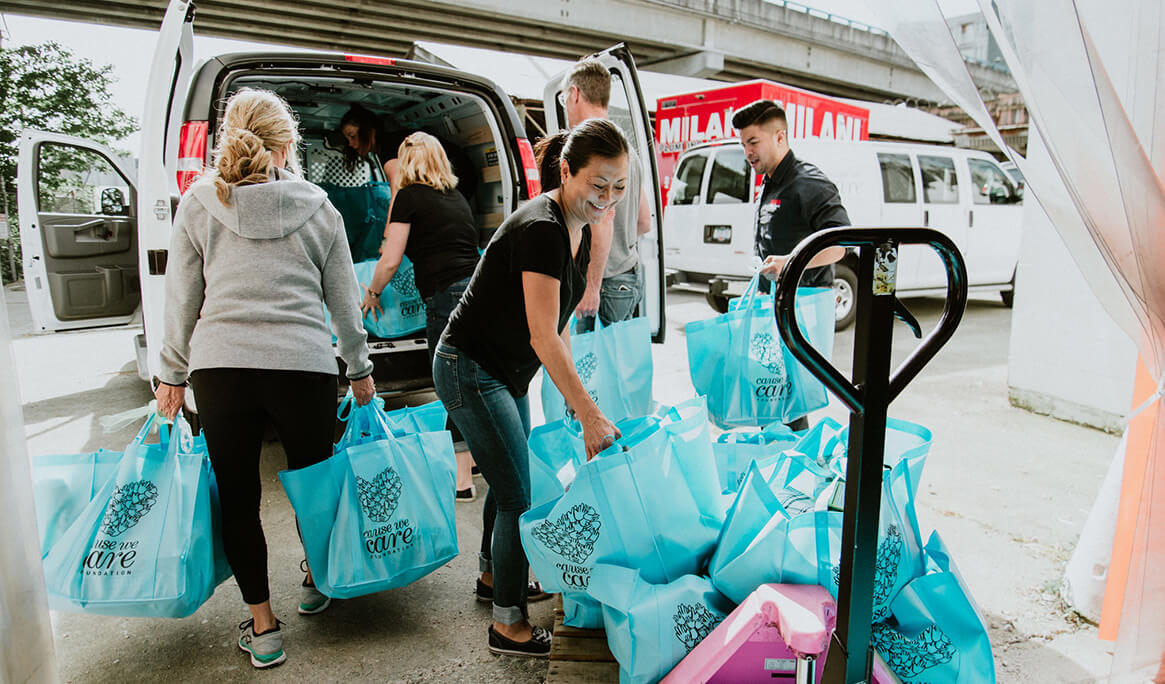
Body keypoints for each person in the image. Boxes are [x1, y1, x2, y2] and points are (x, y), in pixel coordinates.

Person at [153, 88, 376, 669]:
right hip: (302, 366)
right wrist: (359, 369)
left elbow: (181, 300)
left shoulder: (199, 203)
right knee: (313, 486)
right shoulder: (319, 207)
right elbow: (344, 304)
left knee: (238, 498)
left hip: (221, 370)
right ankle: (317, 580)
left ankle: (264, 626)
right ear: (286, 145)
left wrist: (171, 373)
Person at [433, 119, 628, 657]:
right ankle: (508, 625)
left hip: (502, 371)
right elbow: (542, 336)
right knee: (517, 494)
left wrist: (579, 400)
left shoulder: (576, 225)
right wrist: (588, 414)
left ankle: (494, 577)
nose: (608, 198)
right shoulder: (543, 228)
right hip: (472, 368)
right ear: (566, 172)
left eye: (619, 187)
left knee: (506, 480)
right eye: (598, 184)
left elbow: (557, 324)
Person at [358, 131, 480, 501]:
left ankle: (462, 480)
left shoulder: (409, 197)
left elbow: (390, 260)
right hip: (477, 293)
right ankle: (476, 457)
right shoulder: (455, 197)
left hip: (447, 297)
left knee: (450, 385)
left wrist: (372, 292)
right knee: (471, 381)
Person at [732, 98, 848, 430]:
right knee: (773, 397)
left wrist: (790, 263)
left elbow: (839, 245)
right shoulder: (770, 182)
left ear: (780, 137)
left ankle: (793, 457)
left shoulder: (809, 183)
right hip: (774, 306)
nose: (747, 152)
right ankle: (778, 453)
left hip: (801, 311)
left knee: (789, 400)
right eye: (744, 144)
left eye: (753, 142)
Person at [559, 59, 652, 332]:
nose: (565, 106)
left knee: (589, 358)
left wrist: (591, 286)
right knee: (616, 357)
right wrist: (620, 249)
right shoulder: (627, 150)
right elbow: (644, 221)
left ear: (575, 94)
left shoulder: (592, 148)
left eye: (564, 98)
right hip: (625, 278)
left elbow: (602, 219)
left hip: (602, 283)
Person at [339, 104, 477, 202]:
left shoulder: (389, 149)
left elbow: (397, 196)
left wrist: (390, 231)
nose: (350, 144)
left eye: (352, 136)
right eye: (347, 139)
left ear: (369, 130)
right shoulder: (390, 144)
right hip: (457, 183)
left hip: (458, 178)